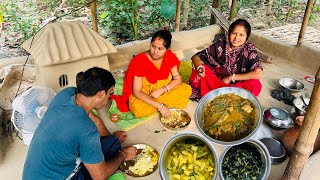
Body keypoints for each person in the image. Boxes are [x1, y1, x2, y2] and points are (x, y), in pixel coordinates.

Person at [23, 67, 137, 180]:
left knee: (112, 142)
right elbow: (99, 176)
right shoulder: (87, 131)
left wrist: (111, 139)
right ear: (101, 94)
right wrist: (123, 155)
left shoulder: (66, 94)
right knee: (111, 155)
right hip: (62, 176)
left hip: (32, 175)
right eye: (110, 93)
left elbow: (95, 121)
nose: (109, 98)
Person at [111, 30, 191, 118]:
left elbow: (177, 79)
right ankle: (159, 103)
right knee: (138, 109)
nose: (155, 51)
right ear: (150, 43)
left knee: (186, 90)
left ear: (166, 49)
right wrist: (160, 107)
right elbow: (137, 92)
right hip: (145, 93)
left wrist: (161, 91)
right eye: (153, 46)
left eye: (160, 49)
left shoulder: (169, 56)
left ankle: (154, 103)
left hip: (163, 91)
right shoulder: (139, 60)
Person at [189, 19, 263, 100]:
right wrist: (200, 68)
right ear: (229, 33)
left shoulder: (249, 49)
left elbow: (258, 74)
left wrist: (231, 77)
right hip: (216, 83)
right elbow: (196, 57)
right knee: (199, 69)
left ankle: (232, 99)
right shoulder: (221, 44)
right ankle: (213, 95)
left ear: (246, 37)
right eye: (234, 33)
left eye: (241, 35)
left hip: (237, 87)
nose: (236, 38)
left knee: (255, 84)